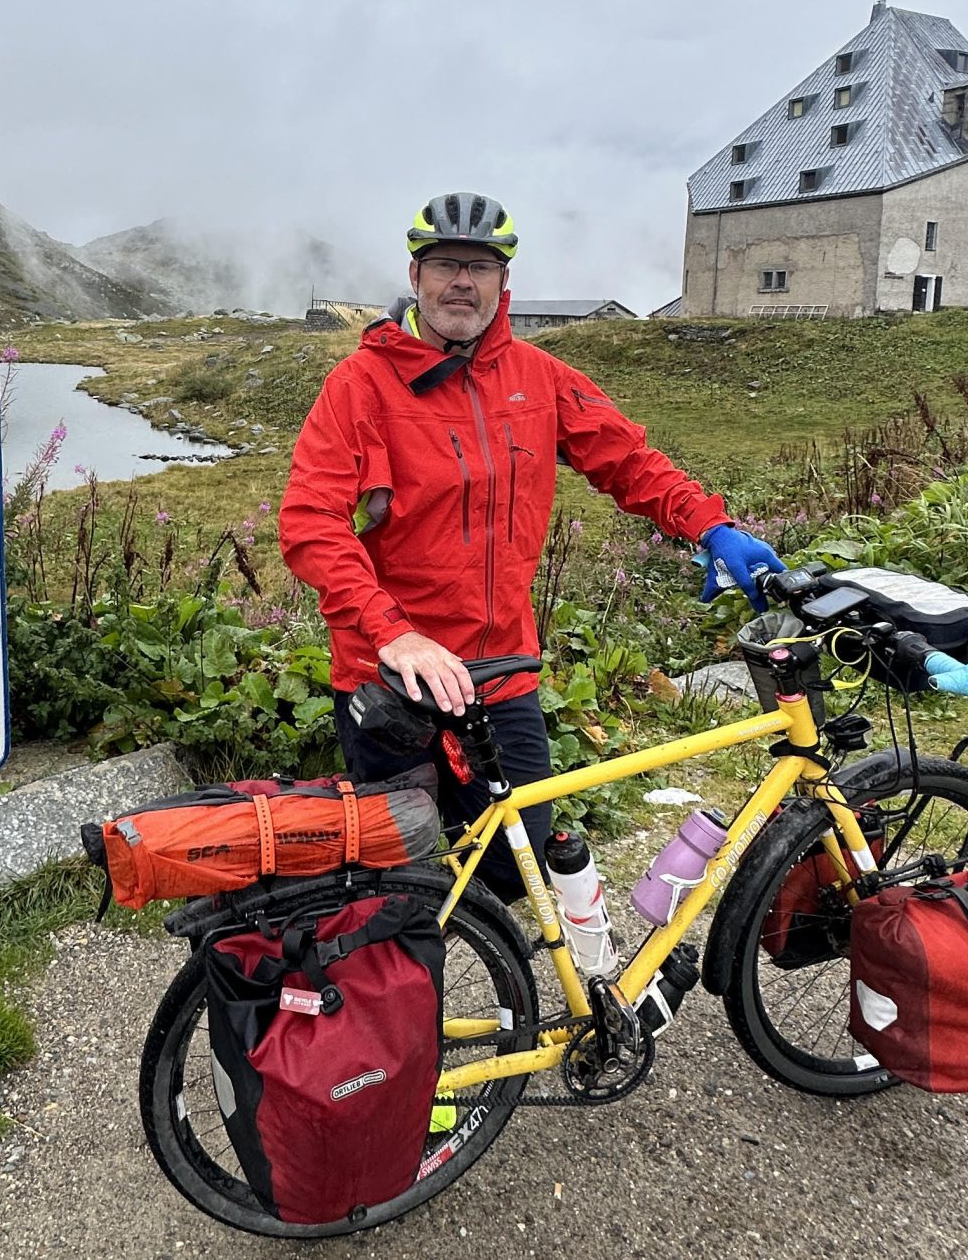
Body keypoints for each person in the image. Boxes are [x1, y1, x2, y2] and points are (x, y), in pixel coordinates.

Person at [277, 191, 783, 902]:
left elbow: (626, 459)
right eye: (446, 264)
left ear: (503, 283)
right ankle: (401, 996)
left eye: (480, 266)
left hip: (501, 671)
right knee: (402, 885)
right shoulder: (360, 386)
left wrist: (709, 525)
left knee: (515, 864)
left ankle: (482, 962)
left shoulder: (538, 379)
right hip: (393, 675)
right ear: (416, 276)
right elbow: (310, 522)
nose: (463, 281)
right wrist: (394, 634)